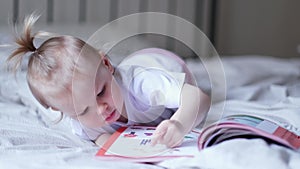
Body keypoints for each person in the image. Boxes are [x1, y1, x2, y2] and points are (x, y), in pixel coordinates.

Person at [7, 14, 210, 148]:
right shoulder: (82, 123)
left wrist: (179, 124)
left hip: (165, 64)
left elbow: (199, 97)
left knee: (180, 92)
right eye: (84, 110)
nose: (100, 109)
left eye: (100, 92)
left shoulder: (141, 84)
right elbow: (100, 138)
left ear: (106, 64)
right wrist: (113, 146)